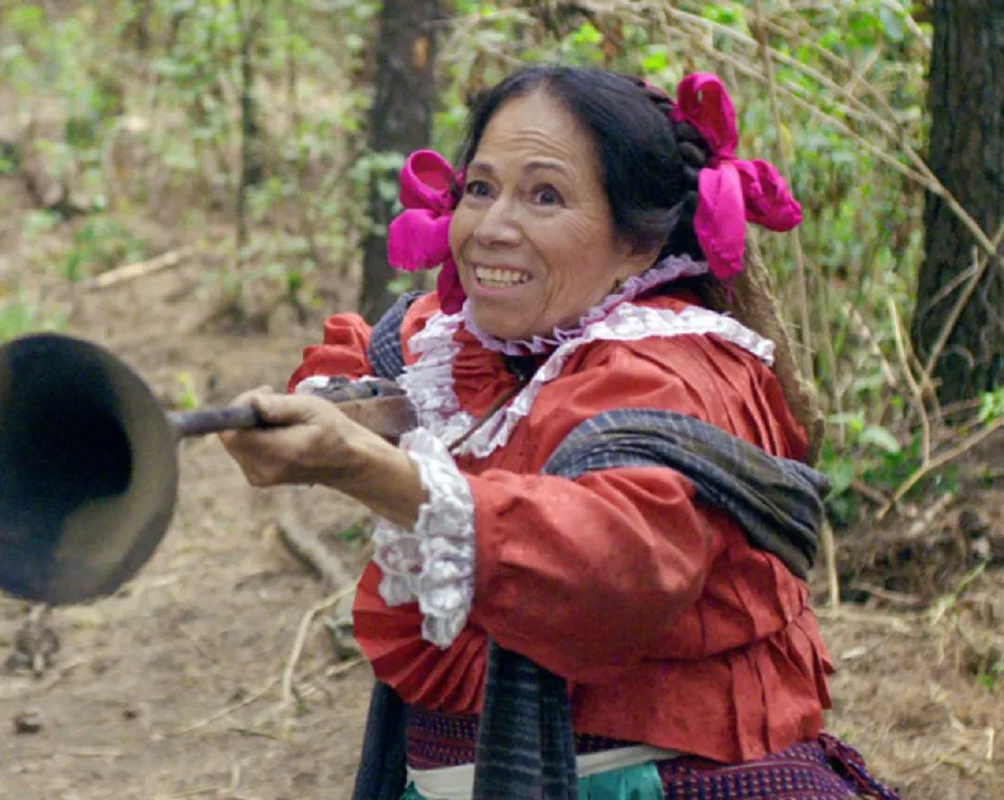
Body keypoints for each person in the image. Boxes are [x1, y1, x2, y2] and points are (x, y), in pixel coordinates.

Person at [219, 65, 901, 800]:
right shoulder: (467, 340)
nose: (491, 228)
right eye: (480, 188)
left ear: (637, 245)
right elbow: (376, 359)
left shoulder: (677, 370)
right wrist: (331, 406)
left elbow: (611, 558)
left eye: (545, 196)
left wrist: (363, 467)